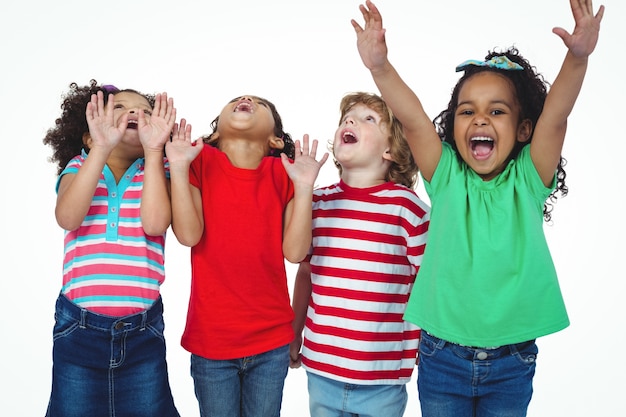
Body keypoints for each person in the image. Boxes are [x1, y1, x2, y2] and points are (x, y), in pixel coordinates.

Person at [352, 0, 604, 416]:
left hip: (512, 361)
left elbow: (556, 116)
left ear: (524, 129)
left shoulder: (528, 178)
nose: (480, 120)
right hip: (441, 356)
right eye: (467, 111)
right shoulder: (447, 176)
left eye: (497, 111)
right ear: (452, 126)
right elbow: (413, 119)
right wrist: (380, 67)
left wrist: (576, 60)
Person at [165, 95, 328, 417]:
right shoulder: (199, 164)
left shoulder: (285, 173)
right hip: (212, 342)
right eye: (235, 100)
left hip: (270, 342)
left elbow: (295, 253)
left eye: (260, 104)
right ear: (214, 135)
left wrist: (305, 186)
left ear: (275, 139)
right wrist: (181, 167)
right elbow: (188, 235)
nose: (246, 99)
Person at [42, 80, 180, 416]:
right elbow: (68, 216)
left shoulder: (159, 171)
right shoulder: (80, 166)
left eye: (147, 112)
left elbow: (155, 224)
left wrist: (154, 152)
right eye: (120, 107)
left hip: (142, 331)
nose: (135, 112)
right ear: (89, 134)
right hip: (78, 329)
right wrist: (100, 149)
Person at [289, 92, 430, 417]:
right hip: (321, 369)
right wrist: (294, 331)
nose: (350, 121)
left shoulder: (406, 208)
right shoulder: (317, 204)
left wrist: (425, 343)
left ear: (391, 150)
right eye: (347, 118)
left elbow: (428, 279)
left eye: (369, 119)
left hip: (382, 374)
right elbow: (306, 273)